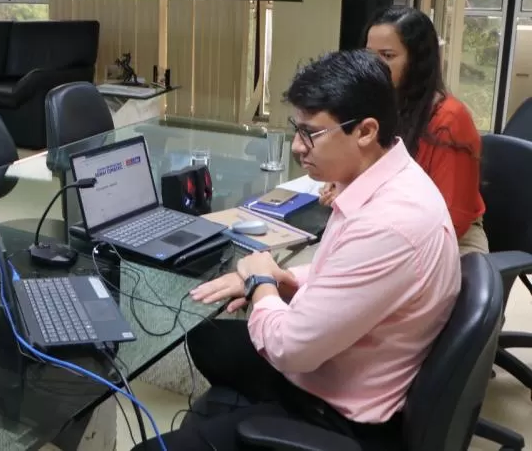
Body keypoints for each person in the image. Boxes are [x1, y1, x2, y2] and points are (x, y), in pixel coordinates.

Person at [134, 50, 461, 451]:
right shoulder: (386, 177)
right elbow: (350, 270)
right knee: (208, 338)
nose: (297, 147)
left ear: (365, 131)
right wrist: (285, 279)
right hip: (348, 360)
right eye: (297, 129)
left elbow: (291, 350)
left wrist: (259, 282)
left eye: (311, 133)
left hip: (338, 415)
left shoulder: (390, 224)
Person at [319, 7, 488, 255]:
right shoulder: (375, 105)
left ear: (417, 62)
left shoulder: (449, 119)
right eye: (368, 55)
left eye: (387, 56)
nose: (374, 65)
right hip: (382, 223)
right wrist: (340, 185)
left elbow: (451, 217)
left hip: (447, 239)